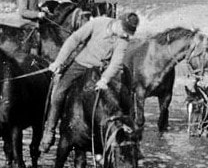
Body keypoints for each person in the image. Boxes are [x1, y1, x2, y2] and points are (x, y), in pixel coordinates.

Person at [39, 11, 140, 152]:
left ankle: (127, 136)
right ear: (118, 22)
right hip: (80, 64)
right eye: (124, 30)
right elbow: (74, 39)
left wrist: (105, 79)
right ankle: (49, 130)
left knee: (124, 98)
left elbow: (116, 62)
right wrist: (59, 61)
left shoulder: (123, 40)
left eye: (129, 33)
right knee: (59, 93)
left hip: (101, 71)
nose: (125, 35)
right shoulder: (98, 22)